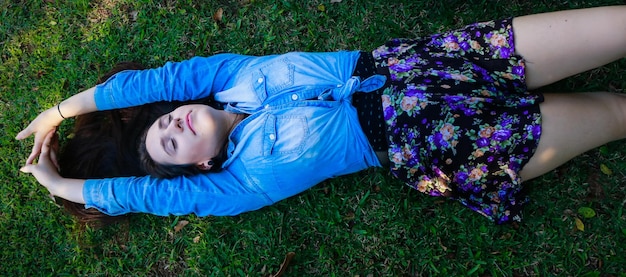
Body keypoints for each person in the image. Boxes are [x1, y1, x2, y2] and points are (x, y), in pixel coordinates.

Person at [17, 6, 626, 224]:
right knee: (616, 113)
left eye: (165, 122)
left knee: (614, 25)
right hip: (442, 142)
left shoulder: (227, 77)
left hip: (434, 61)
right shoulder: (240, 183)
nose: (174, 125)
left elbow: (151, 82)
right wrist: (62, 185)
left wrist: (61, 110)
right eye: (172, 146)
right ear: (202, 167)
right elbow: (146, 197)